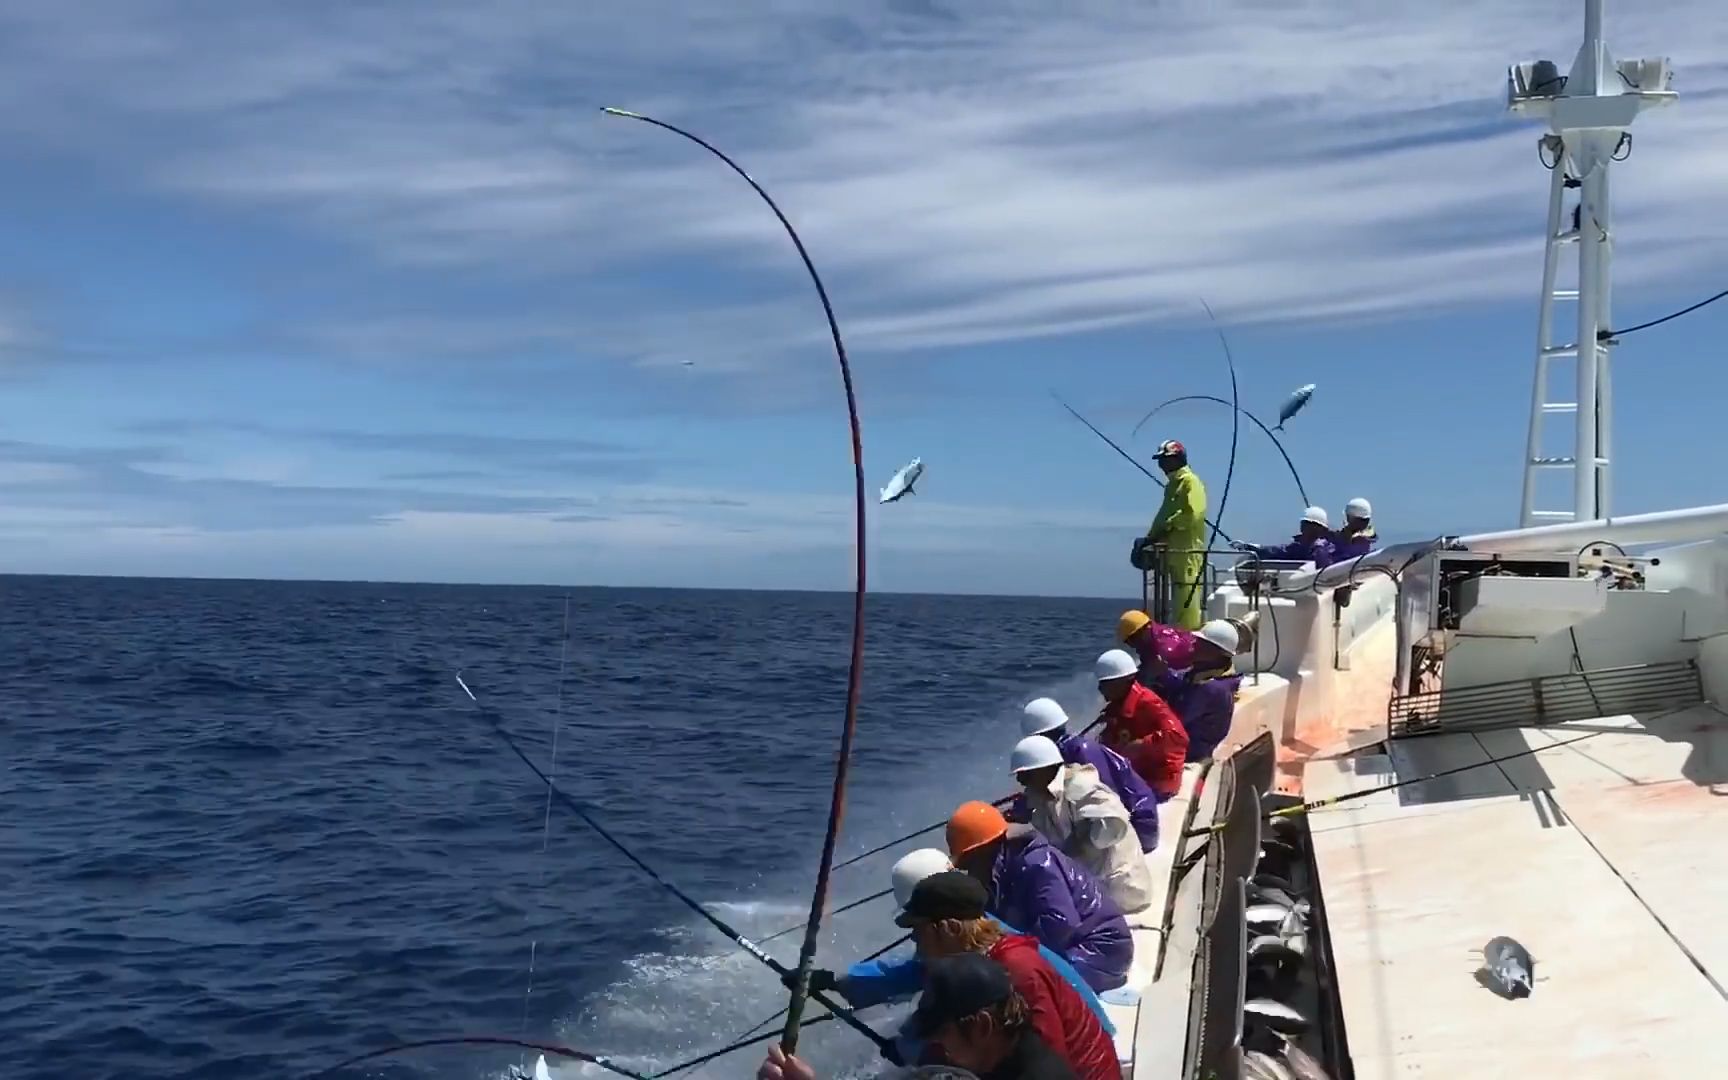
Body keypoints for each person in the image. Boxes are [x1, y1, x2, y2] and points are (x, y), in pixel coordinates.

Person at [805, 848, 1116, 1039]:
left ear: (942, 921)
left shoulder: (1002, 966)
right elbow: (911, 973)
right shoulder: (982, 931)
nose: (915, 936)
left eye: (917, 925)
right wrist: (835, 982)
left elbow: (917, 975)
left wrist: (913, 1047)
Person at [946, 801, 1132, 993]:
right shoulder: (1000, 871)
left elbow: (1060, 923)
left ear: (985, 850)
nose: (970, 870)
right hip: (1072, 945)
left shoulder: (1037, 864)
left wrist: (1014, 952)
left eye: (970, 862)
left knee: (1025, 985)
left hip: (1101, 950)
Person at [1010, 736, 1153, 915]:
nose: (1021, 781)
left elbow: (1116, 823)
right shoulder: (1043, 797)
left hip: (1122, 889)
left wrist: (1084, 841)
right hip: (1094, 886)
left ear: (1042, 770)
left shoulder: (1081, 787)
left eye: (1025, 775)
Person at [911, 953, 1081, 1080]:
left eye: (943, 1036)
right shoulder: (997, 1060)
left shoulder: (1042, 1074)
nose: (942, 1050)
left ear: (983, 1026)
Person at [1021, 698, 1160, 852]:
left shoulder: (1081, 753)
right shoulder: (1071, 749)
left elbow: (1109, 797)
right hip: (1137, 821)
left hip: (1140, 825)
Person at [1142, 620, 1244, 762]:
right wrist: (1164, 673)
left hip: (1190, 754)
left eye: (1201, 643)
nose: (1194, 645)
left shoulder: (1213, 689)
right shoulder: (1209, 673)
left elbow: (1176, 718)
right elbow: (1184, 687)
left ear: (1215, 652)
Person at [1093, 649, 1188, 800]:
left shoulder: (1148, 702)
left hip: (1158, 781)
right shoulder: (1117, 706)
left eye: (1106, 684)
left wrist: (1141, 745)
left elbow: (1178, 736)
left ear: (1124, 681)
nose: (1100, 689)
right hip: (1137, 774)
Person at [1141, 439, 1208, 631]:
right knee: (1177, 600)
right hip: (1172, 553)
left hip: (1186, 554)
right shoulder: (1172, 485)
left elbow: (1194, 514)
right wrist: (1151, 536)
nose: (1161, 465)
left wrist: (1169, 526)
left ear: (1178, 459)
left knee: (1187, 601)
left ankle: (1189, 640)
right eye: (1160, 461)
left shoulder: (1190, 482)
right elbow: (1164, 514)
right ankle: (1176, 639)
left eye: (1166, 460)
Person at [1231, 506, 1338, 568]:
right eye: (1304, 524)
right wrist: (1249, 547)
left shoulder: (1324, 549)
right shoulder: (1298, 546)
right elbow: (1277, 551)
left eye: (1309, 524)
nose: (1304, 527)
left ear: (1320, 528)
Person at [1113, 609, 1195, 676]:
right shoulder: (1156, 637)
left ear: (1145, 629)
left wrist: (1164, 672)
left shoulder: (1166, 647)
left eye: (1133, 640)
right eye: (1129, 643)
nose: (1134, 647)